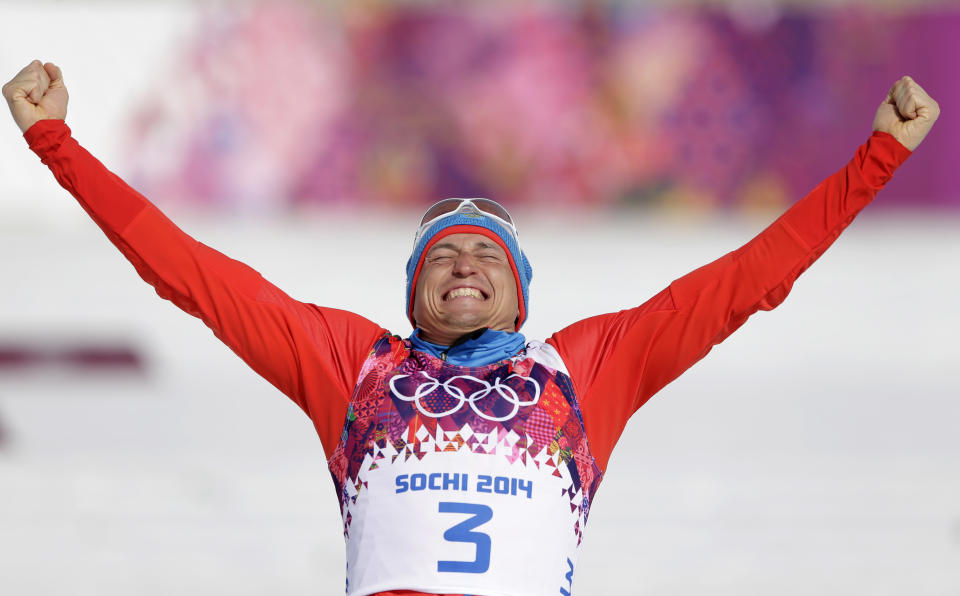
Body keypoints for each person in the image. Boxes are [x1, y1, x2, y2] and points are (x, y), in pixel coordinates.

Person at [3, 59, 940, 596]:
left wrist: (878, 157)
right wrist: (57, 145)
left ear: (521, 293)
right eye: (442, 257)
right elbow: (192, 276)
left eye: (487, 256)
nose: (463, 265)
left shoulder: (586, 369)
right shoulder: (351, 364)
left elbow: (748, 281)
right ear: (412, 292)